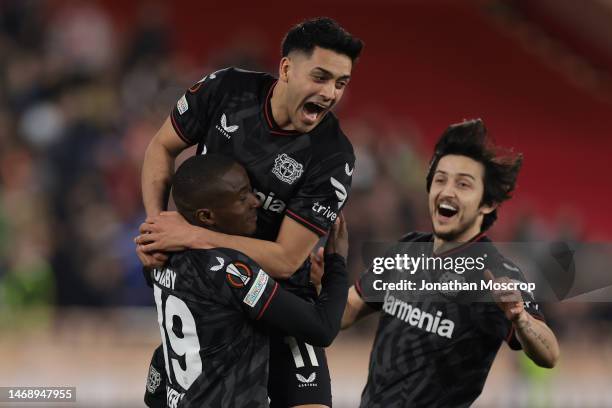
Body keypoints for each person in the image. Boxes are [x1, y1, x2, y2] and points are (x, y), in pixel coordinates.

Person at [135, 17, 363, 408]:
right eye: (321, 77)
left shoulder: (332, 155)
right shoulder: (227, 90)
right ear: (287, 68)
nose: (330, 93)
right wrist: (156, 227)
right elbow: (161, 147)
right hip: (211, 293)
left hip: (278, 300)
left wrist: (195, 237)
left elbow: (286, 260)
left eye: (340, 83)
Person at [341, 119, 560, 407]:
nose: (447, 191)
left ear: (487, 203)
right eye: (440, 180)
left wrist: (520, 318)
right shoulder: (407, 248)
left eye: (463, 184)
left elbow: (549, 353)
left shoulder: (492, 273)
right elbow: (347, 310)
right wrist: (325, 279)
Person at [145, 154, 349, 408]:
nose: (255, 202)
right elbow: (322, 329)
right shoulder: (231, 271)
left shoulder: (158, 259)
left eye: (252, 191)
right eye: (242, 198)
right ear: (207, 217)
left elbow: (156, 385)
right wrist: (337, 264)